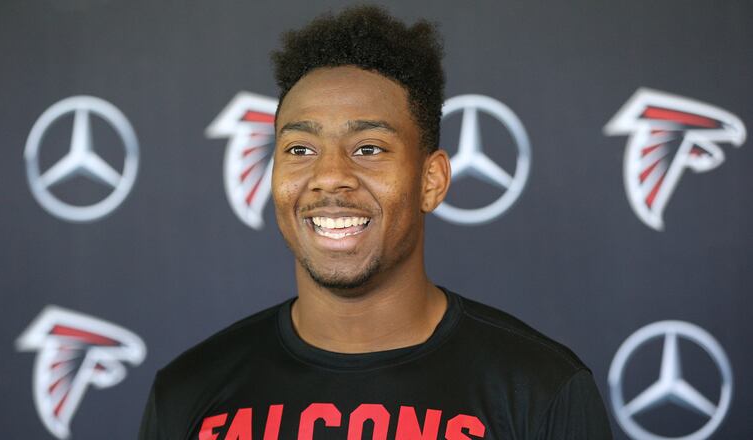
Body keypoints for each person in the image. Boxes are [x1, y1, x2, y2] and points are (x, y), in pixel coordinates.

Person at [139, 5, 612, 439]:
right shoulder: (189, 392)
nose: (329, 177)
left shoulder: (540, 390)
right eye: (300, 150)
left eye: (368, 148)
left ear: (431, 180)